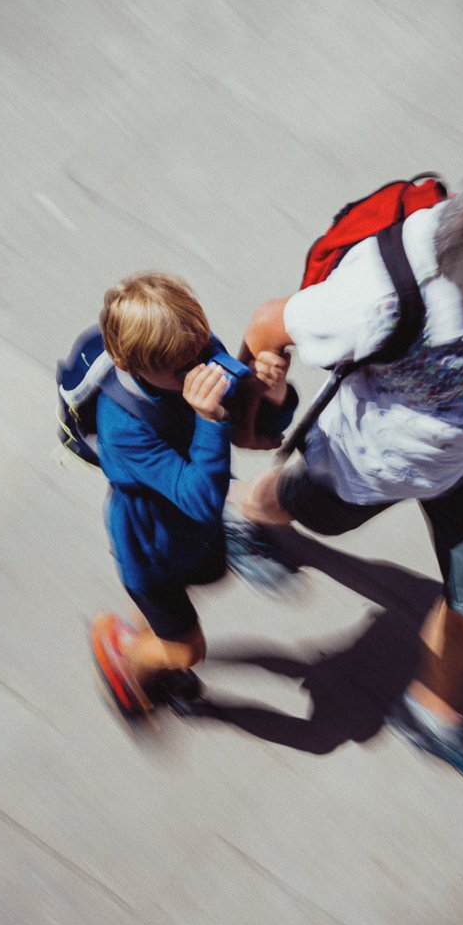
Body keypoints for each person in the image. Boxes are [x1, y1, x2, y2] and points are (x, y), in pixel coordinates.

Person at [229, 168, 463, 793]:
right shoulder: (376, 298)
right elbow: (267, 324)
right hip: (370, 465)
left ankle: (431, 717)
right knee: (312, 510)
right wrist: (257, 399)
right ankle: (247, 514)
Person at [89, 271, 296, 721]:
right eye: (183, 368)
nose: (202, 369)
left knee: (204, 582)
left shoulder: (190, 353)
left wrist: (272, 394)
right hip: (151, 552)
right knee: (188, 651)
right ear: (130, 365)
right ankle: (123, 651)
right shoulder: (124, 429)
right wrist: (209, 421)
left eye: (203, 350)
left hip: (190, 535)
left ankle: (149, 637)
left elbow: (253, 429)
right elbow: (201, 500)